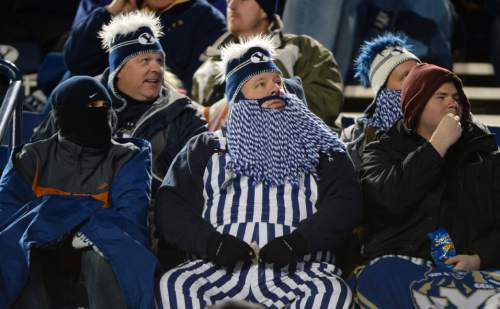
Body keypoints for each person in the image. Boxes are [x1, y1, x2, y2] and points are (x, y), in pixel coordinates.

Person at [155, 36, 361, 308]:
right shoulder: (207, 147)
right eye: (260, 84)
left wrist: (298, 242)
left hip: (299, 270)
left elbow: (345, 203)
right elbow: (171, 205)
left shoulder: (321, 146)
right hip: (219, 269)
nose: (274, 89)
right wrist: (211, 243)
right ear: (239, 98)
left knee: (331, 293)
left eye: (277, 82)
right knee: (176, 285)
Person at [350, 63, 500, 308]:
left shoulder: (483, 152)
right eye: (440, 97)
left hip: (472, 270)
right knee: (379, 280)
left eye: (456, 98)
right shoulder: (382, 149)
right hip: (403, 265)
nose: (452, 103)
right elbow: (386, 201)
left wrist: (479, 258)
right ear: (416, 104)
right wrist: (435, 148)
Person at [0, 76, 158, 309]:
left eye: (105, 107)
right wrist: (78, 223)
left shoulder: (128, 157)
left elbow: (130, 222)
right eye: (91, 108)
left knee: (106, 256)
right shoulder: (31, 157)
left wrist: (50, 216)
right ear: (65, 115)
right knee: (20, 255)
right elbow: (7, 218)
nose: (100, 113)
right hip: (42, 259)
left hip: (94, 263)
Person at [32, 11, 207, 192]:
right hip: (69, 205)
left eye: (160, 61)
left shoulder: (184, 115)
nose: (156, 68)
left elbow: (193, 185)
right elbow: (35, 161)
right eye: (145, 60)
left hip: (147, 213)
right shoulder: (77, 99)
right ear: (119, 70)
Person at [191, 0, 344, 129]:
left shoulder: (303, 49)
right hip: (224, 157)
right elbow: (197, 127)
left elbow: (325, 102)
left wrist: (259, 104)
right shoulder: (207, 68)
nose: (232, 5)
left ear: (264, 10)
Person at [64, 0, 226, 92]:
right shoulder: (126, 9)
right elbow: (76, 61)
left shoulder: (207, 20)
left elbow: (197, 90)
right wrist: (110, 13)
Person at [341, 32, 420, 172]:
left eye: (419, 73)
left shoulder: (450, 116)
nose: (416, 81)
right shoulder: (357, 137)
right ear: (384, 92)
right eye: (405, 77)